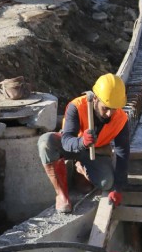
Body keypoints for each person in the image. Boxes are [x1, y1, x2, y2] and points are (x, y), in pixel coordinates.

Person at [37, 73, 130, 213]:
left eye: (114, 109)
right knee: (46, 142)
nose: (110, 114)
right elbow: (67, 140)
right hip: (72, 145)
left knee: (106, 183)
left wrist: (118, 188)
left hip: (96, 151)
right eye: (106, 108)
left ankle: (80, 169)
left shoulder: (121, 119)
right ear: (96, 99)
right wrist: (82, 141)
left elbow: (123, 153)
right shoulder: (77, 107)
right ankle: (62, 195)